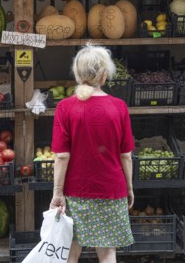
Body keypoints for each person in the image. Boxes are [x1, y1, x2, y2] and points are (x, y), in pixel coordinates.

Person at [50, 44, 135, 263]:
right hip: (111, 189)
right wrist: (129, 187)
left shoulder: (65, 108)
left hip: (74, 191)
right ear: (104, 74)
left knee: (70, 252)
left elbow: (61, 156)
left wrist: (57, 193)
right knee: (107, 252)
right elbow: (126, 155)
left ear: (78, 74)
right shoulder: (119, 107)